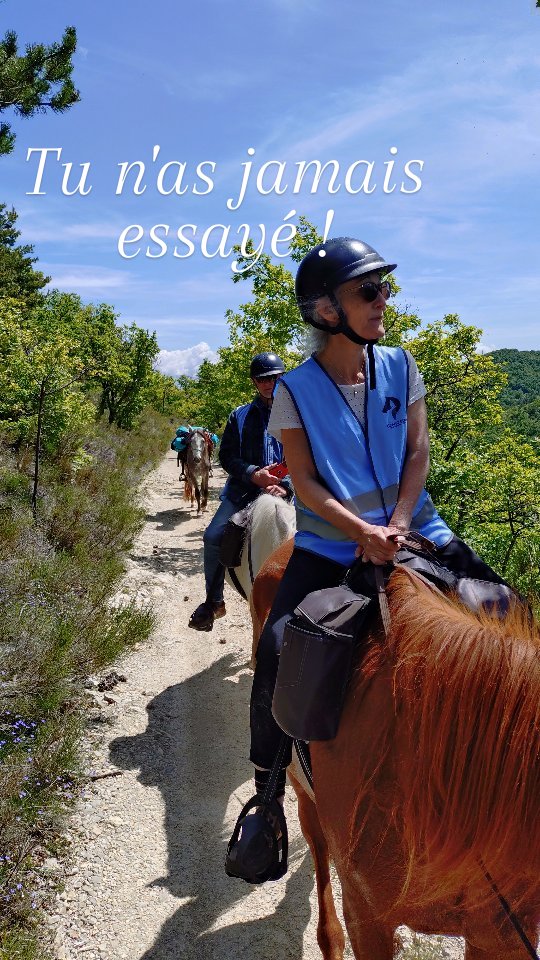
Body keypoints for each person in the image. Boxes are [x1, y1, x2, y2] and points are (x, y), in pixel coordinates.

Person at [225, 237, 510, 884]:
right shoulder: (295, 390)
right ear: (327, 310)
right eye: (369, 290)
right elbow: (303, 479)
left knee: (510, 610)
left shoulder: (402, 366)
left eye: (384, 287)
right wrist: (361, 531)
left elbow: (417, 451)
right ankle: (267, 800)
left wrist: (400, 525)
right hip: (330, 545)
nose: (385, 300)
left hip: (418, 528)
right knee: (276, 649)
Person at [188, 352, 291, 632]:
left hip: (289, 491)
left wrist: (286, 484)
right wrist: (253, 474)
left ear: (282, 378)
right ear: (254, 382)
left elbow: (310, 457)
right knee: (213, 536)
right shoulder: (240, 415)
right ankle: (213, 602)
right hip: (245, 491)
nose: (268, 384)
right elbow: (228, 456)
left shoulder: (299, 415)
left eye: (274, 378)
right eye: (262, 379)